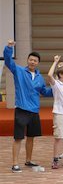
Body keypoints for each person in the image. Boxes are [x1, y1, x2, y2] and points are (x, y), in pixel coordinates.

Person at [3, 40, 52, 172]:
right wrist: (9, 48)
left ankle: (28, 160)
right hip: (22, 109)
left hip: (34, 111)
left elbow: (44, 92)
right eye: (30, 60)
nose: (32, 62)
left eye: (35, 61)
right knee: (18, 137)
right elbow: (8, 61)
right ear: (27, 60)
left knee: (31, 137)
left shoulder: (39, 78)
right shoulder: (18, 71)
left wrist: (57, 89)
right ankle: (15, 163)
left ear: (38, 63)